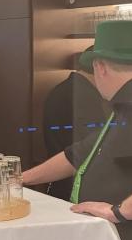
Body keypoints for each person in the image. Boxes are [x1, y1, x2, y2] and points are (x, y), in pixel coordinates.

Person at [23, 20, 132, 240]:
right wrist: (20, 178)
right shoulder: (123, 107)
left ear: (100, 67)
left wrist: (119, 211)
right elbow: (79, 153)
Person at [41, 46, 108, 200]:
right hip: (76, 190)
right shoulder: (84, 97)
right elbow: (90, 150)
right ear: (100, 68)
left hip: (62, 183)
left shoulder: (63, 89)